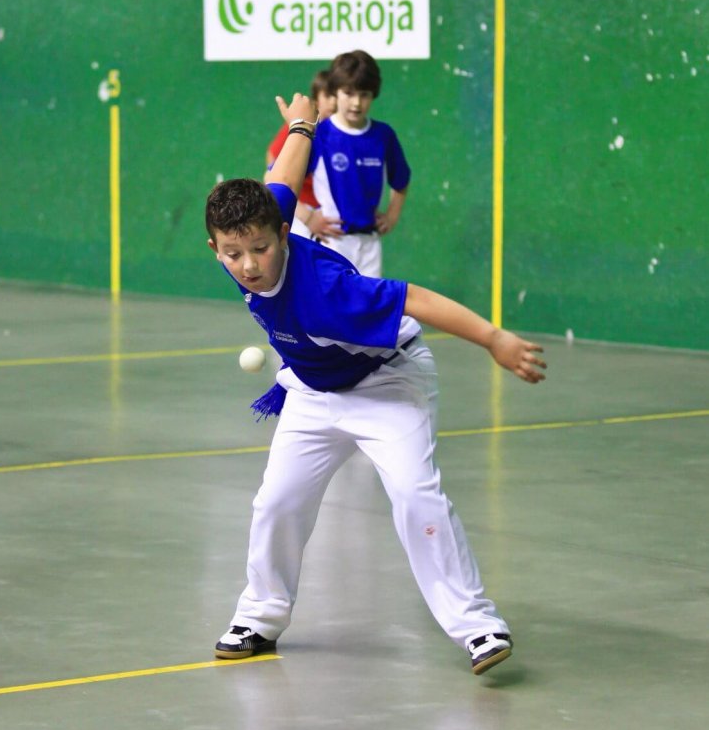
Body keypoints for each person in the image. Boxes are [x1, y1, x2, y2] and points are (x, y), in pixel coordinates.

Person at [205, 92, 546, 675]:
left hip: (385, 383)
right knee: (277, 501)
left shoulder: (330, 292)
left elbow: (418, 299)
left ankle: (478, 625)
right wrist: (302, 124)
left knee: (416, 495)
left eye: (260, 249)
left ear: (282, 236)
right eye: (234, 254)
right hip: (313, 390)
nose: (250, 265)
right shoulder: (257, 225)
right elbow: (282, 175)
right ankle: (260, 615)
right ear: (215, 247)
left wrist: (492, 338)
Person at [308, 50, 411, 277]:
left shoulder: (383, 135)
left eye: (364, 94)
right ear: (335, 91)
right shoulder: (319, 134)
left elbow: (401, 180)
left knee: (369, 310)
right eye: (348, 93)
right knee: (331, 311)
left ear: (373, 95)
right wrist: (307, 218)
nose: (356, 103)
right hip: (331, 242)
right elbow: (277, 180)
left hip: (370, 245)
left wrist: (392, 215)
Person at [265, 69, 339, 241]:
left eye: (338, 96)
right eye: (328, 96)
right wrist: (306, 216)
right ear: (316, 99)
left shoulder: (347, 135)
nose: (334, 103)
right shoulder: (302, 126)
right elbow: (272, 171)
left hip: (331, 218)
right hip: (303, 214)